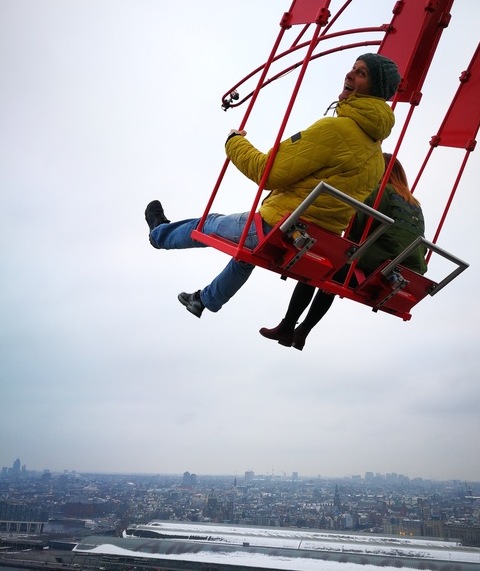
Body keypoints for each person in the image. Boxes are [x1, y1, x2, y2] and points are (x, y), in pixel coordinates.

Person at [145, 53, 401, 318]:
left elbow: (267, 173)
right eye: (352, 68)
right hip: (320, 244)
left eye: (361, 73)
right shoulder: (376, 157)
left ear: (376, 89)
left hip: (283, 227)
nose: (350, 74)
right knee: (247, 254)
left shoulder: (336, 130)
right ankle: (205, 300)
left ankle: (159, 235)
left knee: (211, 224)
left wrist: (234, 142)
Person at [259, 154, 427, 350]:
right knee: (331, 273)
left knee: (316, 265)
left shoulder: (381, 192)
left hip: (375, 269)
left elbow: (355, 226)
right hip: (404, 276)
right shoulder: (415, 205)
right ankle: (302, 331)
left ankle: (288, 326)